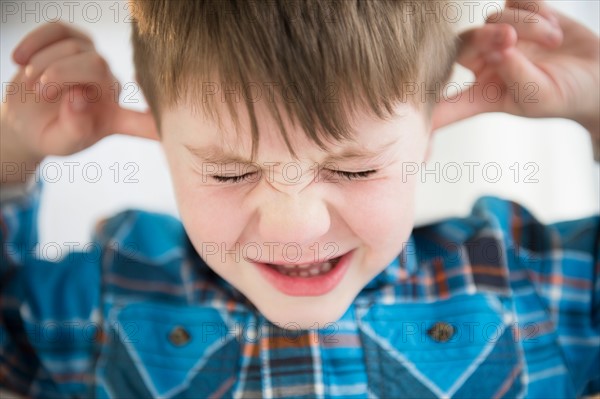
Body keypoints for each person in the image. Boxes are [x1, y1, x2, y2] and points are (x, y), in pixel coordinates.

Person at [1, 0, 598, 397]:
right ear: (157, 135)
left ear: (428, 133)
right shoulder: (111, 294)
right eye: (230, 173)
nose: (295, 226)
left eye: (358, 169)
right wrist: (13, 153)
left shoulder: (519, 278)